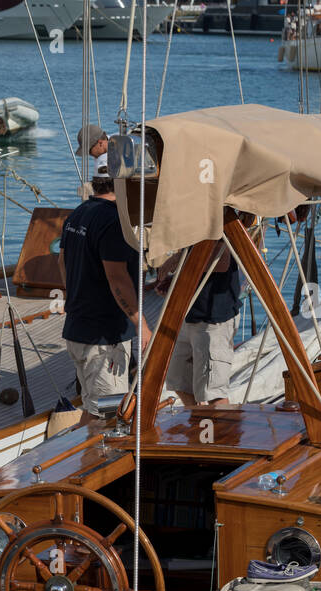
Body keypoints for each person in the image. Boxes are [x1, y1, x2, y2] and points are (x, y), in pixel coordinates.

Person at [59, 155, 149, 424]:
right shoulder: (113, 221)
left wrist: (76, 294)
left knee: (93, 409)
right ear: (122, 183)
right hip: (102, 338)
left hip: (78, 328)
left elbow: (62, 262)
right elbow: (117, 278)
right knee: (107, 418)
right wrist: (141, 324)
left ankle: (79, 461)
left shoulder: (79, 213)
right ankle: (90, 463)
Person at [158, 245, 242, 406]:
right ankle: (197, 424)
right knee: (178, 381)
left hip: (213, 321)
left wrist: (178, 261)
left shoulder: (217, 223)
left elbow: (222, 262)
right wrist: (176, 281)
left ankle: (222, 430)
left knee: (214, 393)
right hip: (188, 315)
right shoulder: (192, 225)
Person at [76, 124, 110, 199]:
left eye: (89, 151)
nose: (89, 154)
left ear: (100, 143)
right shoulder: (110, 139)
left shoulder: (103, 160)